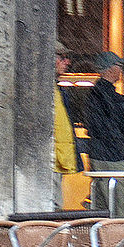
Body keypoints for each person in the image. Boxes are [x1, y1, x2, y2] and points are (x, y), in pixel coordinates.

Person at [82, 51, 124, 218]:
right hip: (113, 157)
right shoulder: (110, 98)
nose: (121, 70)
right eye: (119, 66)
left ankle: (99, 238)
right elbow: (117, 127)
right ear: (110, 69)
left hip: (100, 153)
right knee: (122, 203)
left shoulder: (95, 95)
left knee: (101, 204)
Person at [52, 42, 79, 178]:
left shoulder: (58, 90)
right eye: (62, 57)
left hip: (56, 161)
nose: (67, 62)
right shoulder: (46, 90)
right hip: (51, 162)